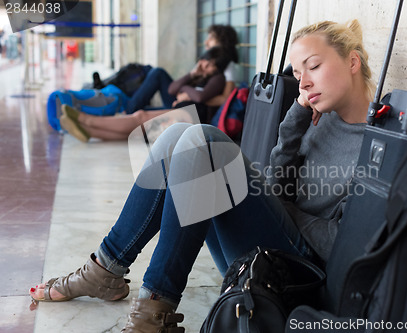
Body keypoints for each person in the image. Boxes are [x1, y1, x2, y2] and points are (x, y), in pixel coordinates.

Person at [30, 20, 375, 332]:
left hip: (292, 278)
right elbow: (276, 186)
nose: (305, 83)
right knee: (174, 137)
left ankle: (153, 313)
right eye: (299, 75)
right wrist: (296, 116)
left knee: (204, 140)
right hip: (258, 260)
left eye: (313, 66)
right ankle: (105, 268)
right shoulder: (319, 116)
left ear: (352, 62)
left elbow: (337, 242)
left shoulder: (378, 146)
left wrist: (279, 207)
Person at [60, 46, 230, 142]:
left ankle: (86, 119)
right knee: (139, 131)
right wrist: (193, 74)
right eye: (205, 63)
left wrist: (185, 93)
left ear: (218, 68)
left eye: (210, 66)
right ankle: (89, 131)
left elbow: (200, 97)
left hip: (193, 116)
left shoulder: (218, 78)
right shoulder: (199, 75)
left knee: (141, 117)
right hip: (185, 111)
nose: (205, 68)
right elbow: (172, 89)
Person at [124, 24, 240, 115]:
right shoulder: (205, 60)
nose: (206, 41)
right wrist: (190, 81)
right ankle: (131, 110)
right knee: (157, 73)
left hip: (193, 106)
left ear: (222, 41)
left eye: (211, 38)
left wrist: (192, 96)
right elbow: (172, 89)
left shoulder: (228, 66)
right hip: (183, 99)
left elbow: (225, 99)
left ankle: (130, 111)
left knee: (142, 114)